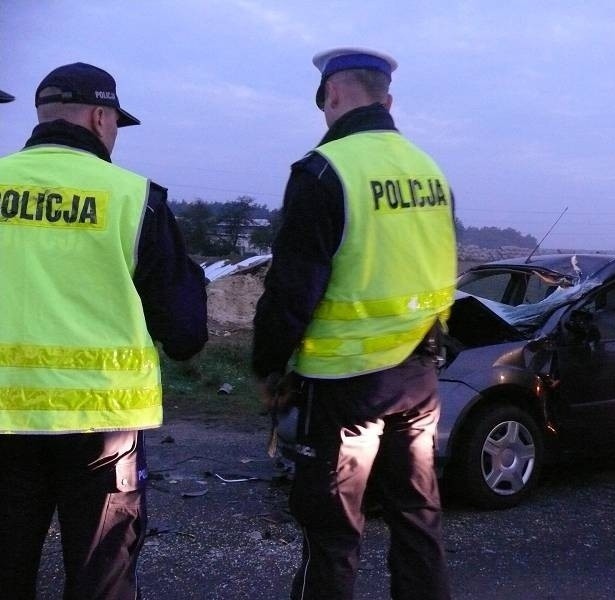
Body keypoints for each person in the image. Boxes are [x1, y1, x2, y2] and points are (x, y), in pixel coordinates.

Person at [253, 47, 456, 599]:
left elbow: (292, 291)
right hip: (419, 372)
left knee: (333, 531)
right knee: (418, 514)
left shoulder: (324, 171)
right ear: (387, 100)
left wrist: (269, 367)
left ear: (333, 94)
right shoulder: (428, 170)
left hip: (347, 387)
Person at [0, 62, 208, 599]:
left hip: (3, 423)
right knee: (101, 577)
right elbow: (185, 331)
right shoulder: (137, 198)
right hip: (102, 426)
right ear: (99, 117)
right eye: (116, 122)